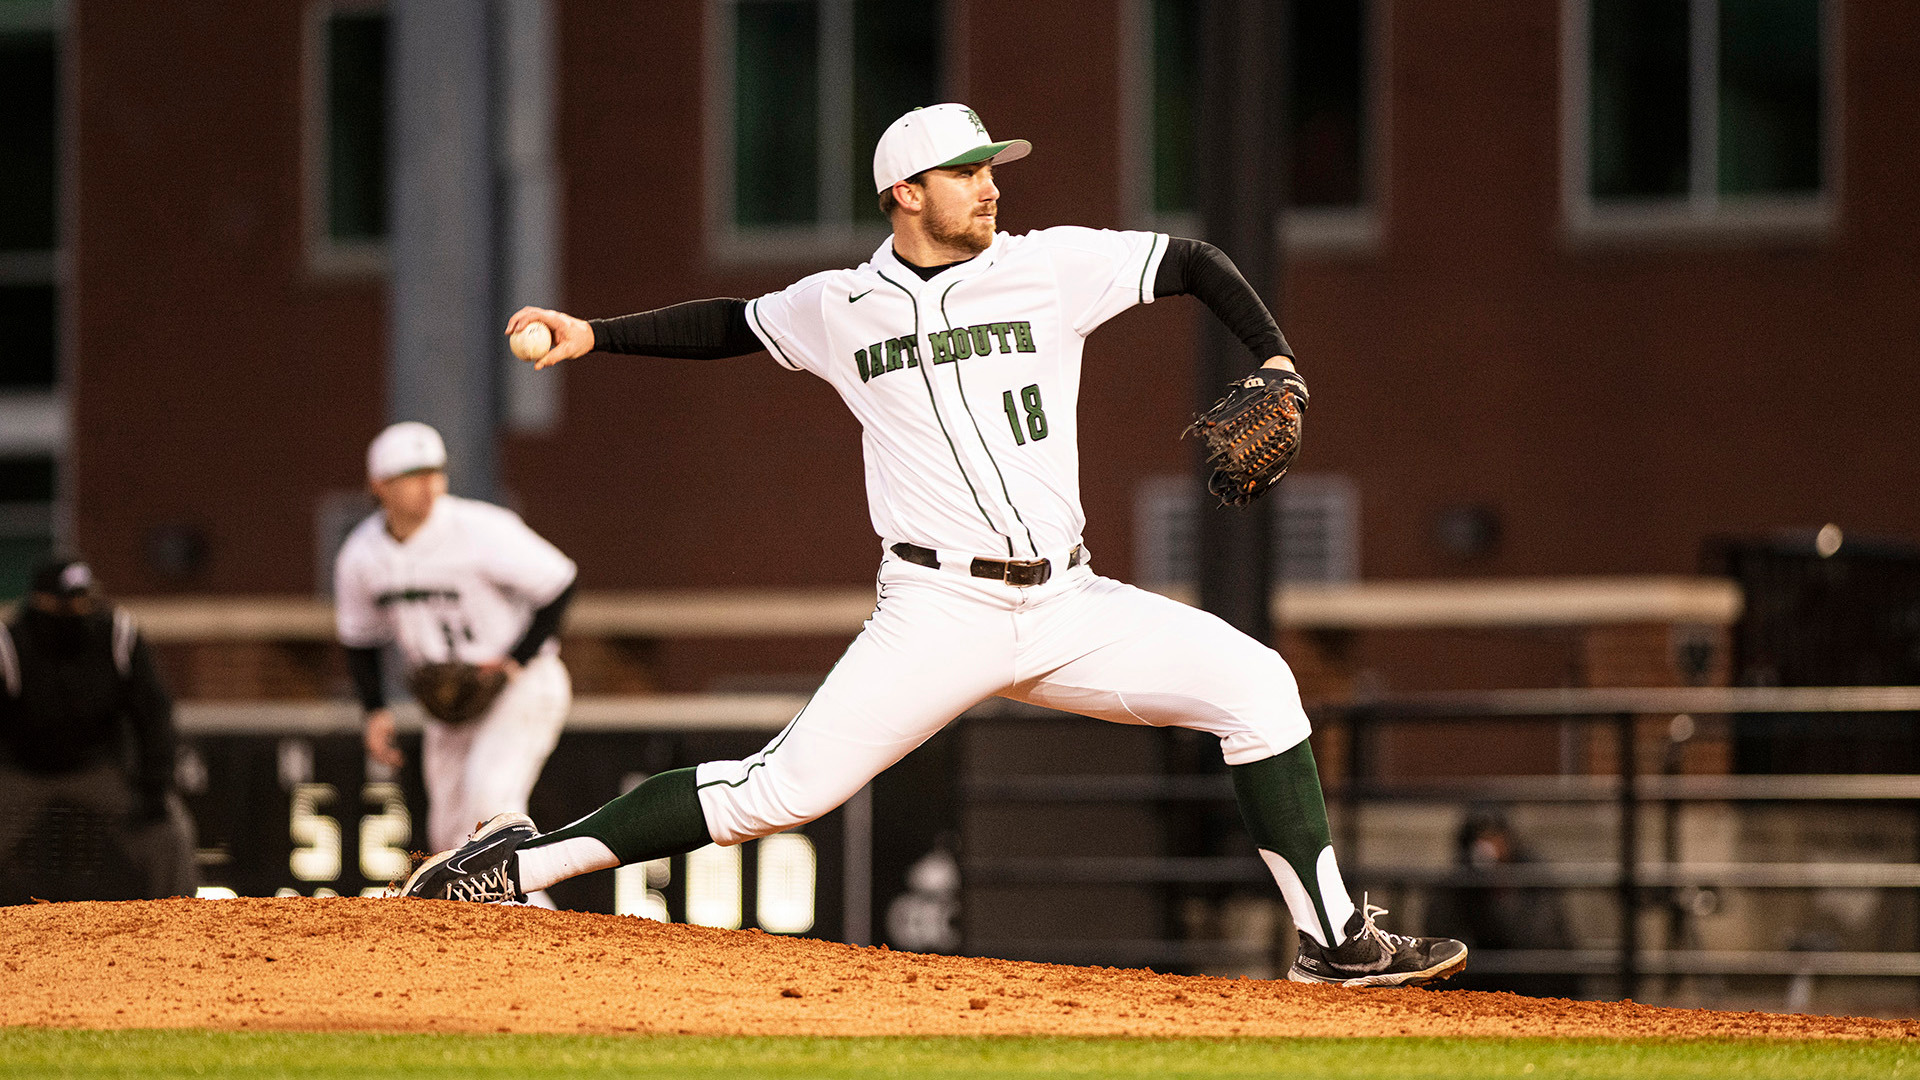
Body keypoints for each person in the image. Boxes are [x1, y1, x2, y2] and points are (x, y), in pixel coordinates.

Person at [406, 104, 1466, 987]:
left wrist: (1277, 364)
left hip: (1068, 606)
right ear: (906, 192)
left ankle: (1332, 943)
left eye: (992, 167)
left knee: (1259, 686)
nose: (991, 186)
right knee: (774, 795)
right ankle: (514, 864)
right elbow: (735, 321)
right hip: (936, 612)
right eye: (966, 172)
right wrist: (595, 334)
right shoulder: (842, 305)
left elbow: (1191, 260)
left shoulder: (1051, 268)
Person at [334, 421, 578, 903]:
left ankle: (539, 930)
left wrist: (512, 661)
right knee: (448, 834)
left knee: (491, 805)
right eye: (413, 474)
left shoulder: (479, 528)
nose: (431, 485)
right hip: (450, 704)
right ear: (379, 485)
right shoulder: (361, 555)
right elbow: (359, 639)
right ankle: (470, 949)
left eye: (436, 471)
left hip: (521, 686)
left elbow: (560, 582)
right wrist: (375, 711)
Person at [0, 558, 196, 903]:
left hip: (98, 767)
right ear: (38, 602)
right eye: (64, 605)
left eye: (84, 602)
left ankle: (177, 916)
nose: (76, 613)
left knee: (170, 831)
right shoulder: (9, 644)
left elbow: (154, 713)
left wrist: (154, 785)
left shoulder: (116, 635)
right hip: (23, 770)